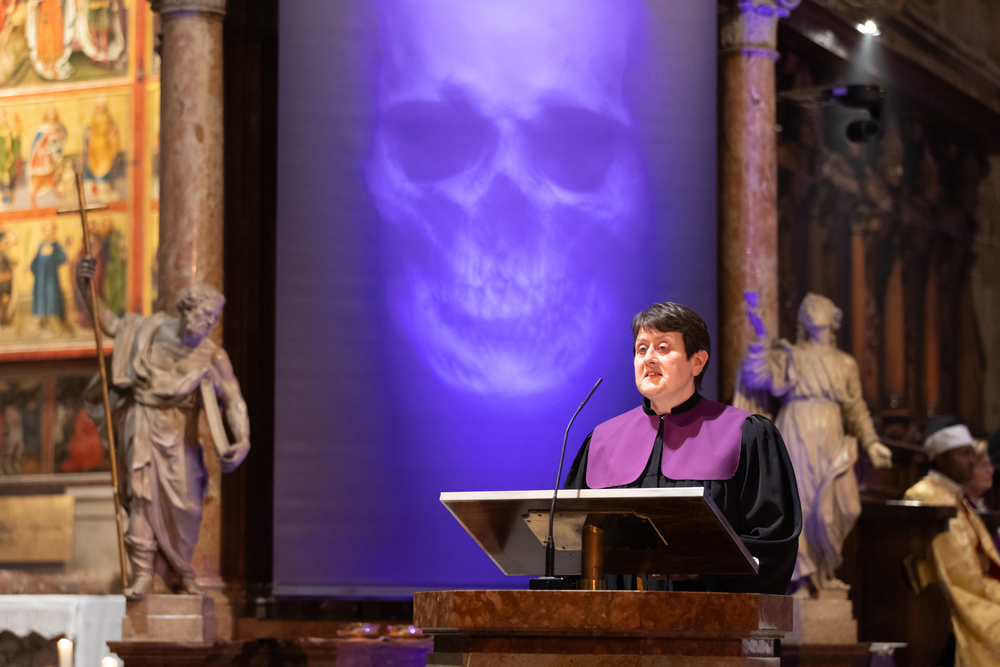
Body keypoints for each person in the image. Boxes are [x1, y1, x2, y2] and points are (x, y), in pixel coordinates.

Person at [565, 301, 802, 594]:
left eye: (663, 348)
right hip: (612, 617)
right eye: (641, 349)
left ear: (697, 362)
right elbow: (567, 543)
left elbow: (773, 543)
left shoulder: (744, 434)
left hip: (708, 615)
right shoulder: (602, 441)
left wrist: (699, 565)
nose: (648, 358)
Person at [76, 256, 250, 599]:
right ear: (187, 309)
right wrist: (87, 288)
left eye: (214, 319)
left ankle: (182, 570)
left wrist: (243, 438)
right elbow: (109, 324)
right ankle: (144, 575)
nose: (209, 324)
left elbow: (234, 399)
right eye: (205, 315)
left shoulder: (212, 356)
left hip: (181, 436)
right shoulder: (149, 330)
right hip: (143, 422)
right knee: (142, 498)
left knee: (189, 506)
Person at [738, 293, 893, 596]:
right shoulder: (791, 355)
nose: (811, 309)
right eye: (806, 307)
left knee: (844, 506)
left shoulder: (845, 363)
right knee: (801, 505)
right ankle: (802, 578)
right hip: (797, 429)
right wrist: (761, 335)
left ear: (833, 317)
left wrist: (872, 443)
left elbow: (855, 407)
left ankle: (825, 570)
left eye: (818, 305)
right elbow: (756, 377)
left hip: (832, 432)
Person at [903, 417, 1000, 667]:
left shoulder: (955, 496)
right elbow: (957, 574)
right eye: (963, 454)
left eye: (972, 454)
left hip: (976, 591)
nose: (971, 461)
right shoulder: (923, 496)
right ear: (941, 458)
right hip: (952, 600)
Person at [963, 439, 994, 513]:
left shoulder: (981, 505)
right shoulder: (960, 505)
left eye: (989, 464)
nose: (991, 470)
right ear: (966, 469)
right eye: (984, 465)